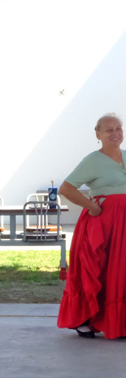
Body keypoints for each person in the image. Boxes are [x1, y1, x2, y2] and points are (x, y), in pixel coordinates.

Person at [57, 113, 126, 339]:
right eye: (109, 130)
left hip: (123, 225)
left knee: (120, 271)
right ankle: (85, 319)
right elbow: (66, 189)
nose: (115, 133)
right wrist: (91, 206)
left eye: (118, 129)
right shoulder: (92, 160)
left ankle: (119, 321)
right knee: (97, 269)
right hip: (103, 223)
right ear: (98, 134)